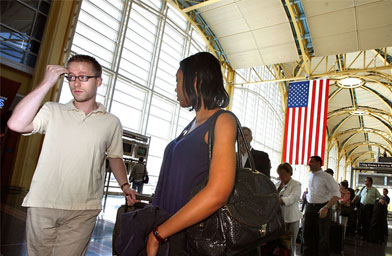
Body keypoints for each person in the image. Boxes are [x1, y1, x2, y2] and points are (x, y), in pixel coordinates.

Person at [7, 54, 137, 256]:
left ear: (99, 81)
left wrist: (125, 186)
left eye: (83, 77)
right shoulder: (52, 110)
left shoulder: (111, 122)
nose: (76, 82)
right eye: (71, 77)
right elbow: (16, 124)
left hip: (83, 208)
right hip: (44, 203)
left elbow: (115, 156)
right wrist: (46, 83)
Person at [147, 52, 237, 255]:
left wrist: (159, 234)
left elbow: (218, 193)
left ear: (195, 80)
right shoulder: (192, 125)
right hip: (167, 228)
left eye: (178, 81)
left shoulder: (223, 121)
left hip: (185, 236)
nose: (175, 88)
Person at [303, 156, 340, 256]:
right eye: (309, 161)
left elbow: (337, 194)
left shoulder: (327, 177)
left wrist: (326, 207)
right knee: (307, 234)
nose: (309, 163)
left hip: (322, 207)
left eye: (312, 162)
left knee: (322, 236)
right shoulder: (309, 175)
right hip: (310, 207)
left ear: (319, 163)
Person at [276, 163, 302, 256]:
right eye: (279, 174)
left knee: (292, 243)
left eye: (283, 174)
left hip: (292, 218)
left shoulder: (296, 184)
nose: (281, 176)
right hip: (280, 218)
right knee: (280, 242)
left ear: (290, 173)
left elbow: (294, 197)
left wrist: (280, 200)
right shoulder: (278, 184)